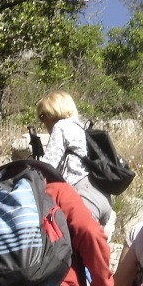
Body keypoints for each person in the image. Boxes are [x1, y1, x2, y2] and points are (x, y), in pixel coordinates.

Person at [35, 91, 115, 238]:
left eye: (43, 116)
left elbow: (47, 166)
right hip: (102, 197)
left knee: (70, 247)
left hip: (82, 195)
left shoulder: (61, 126)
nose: (43, 121)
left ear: (53, 112)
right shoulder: (80, 127)